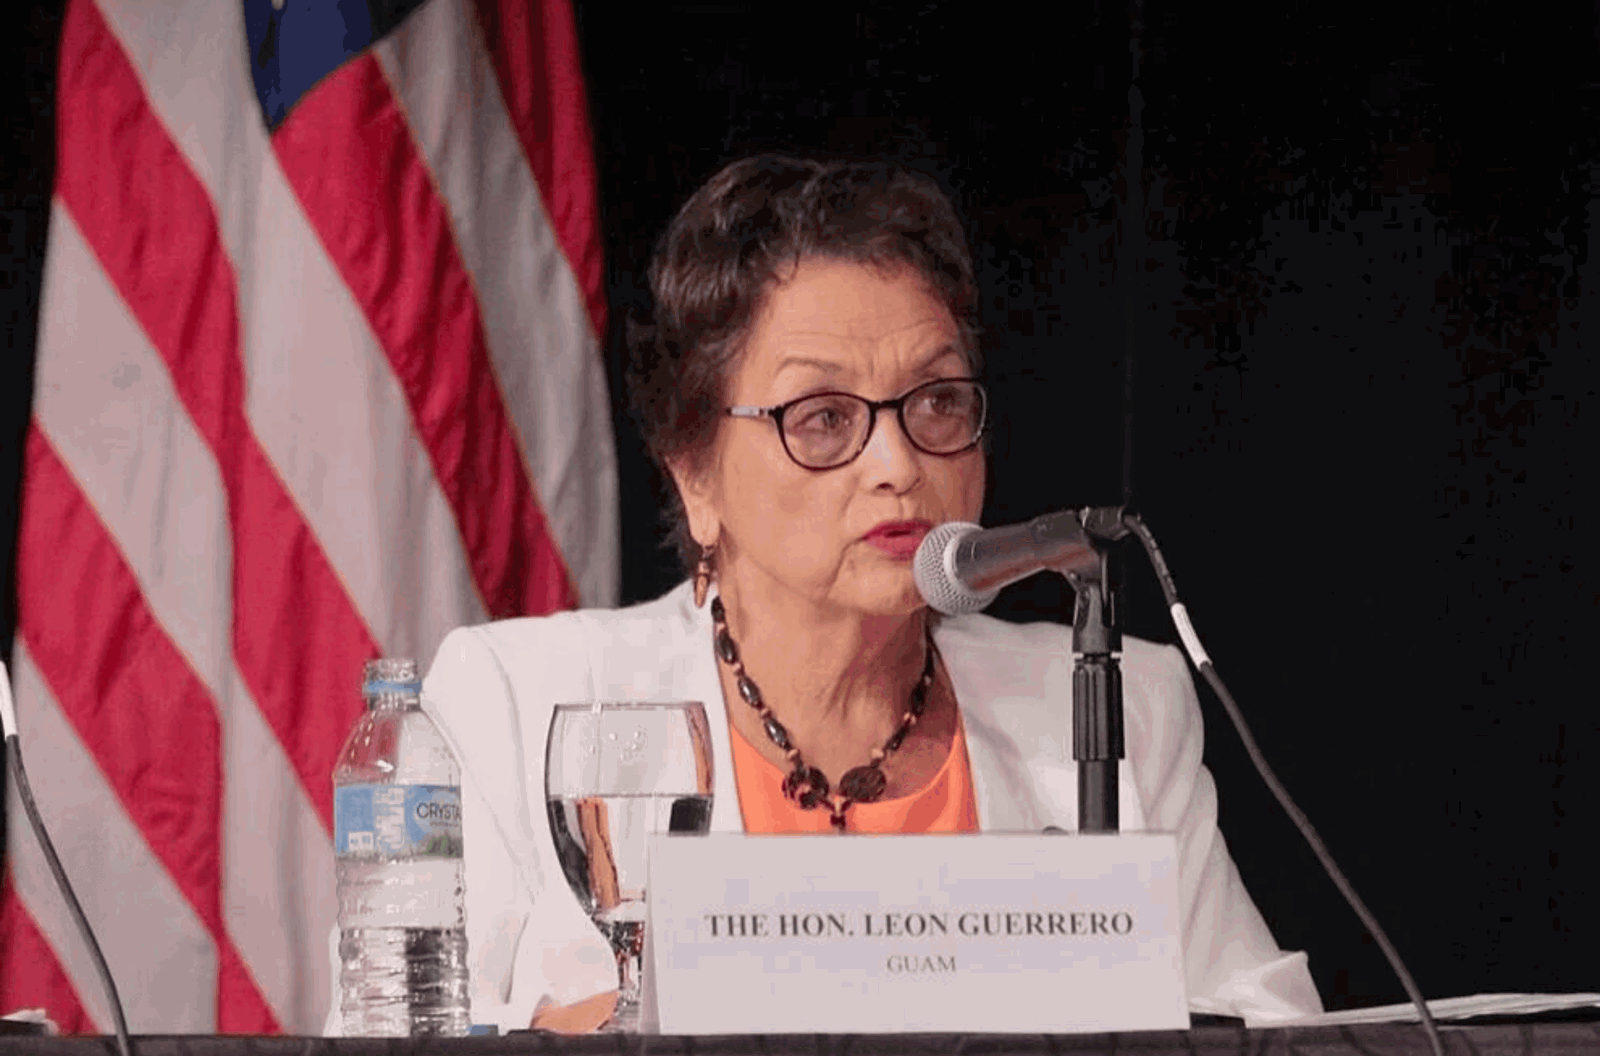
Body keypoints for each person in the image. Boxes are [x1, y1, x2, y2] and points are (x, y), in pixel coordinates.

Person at [327, 153, 1323, 1034]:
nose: (897, 463)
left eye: (936, 402)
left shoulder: (1111, 702)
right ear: (695, 475)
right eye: (822, 418)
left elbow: (1271, 1027)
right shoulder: (516, 699)